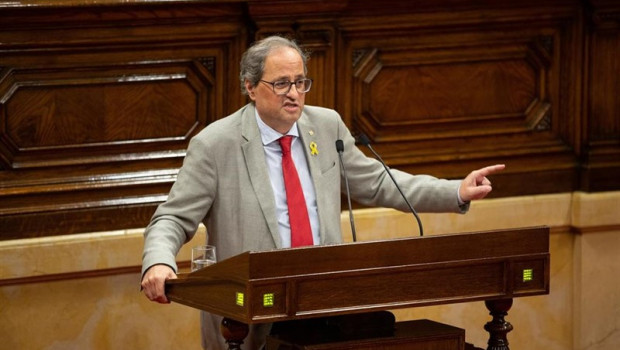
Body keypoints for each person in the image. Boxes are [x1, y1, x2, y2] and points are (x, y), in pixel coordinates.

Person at [141, 35, 505, 349]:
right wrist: (159, 260)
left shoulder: (325, 125)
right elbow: (173, 217)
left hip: (325, 304)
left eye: (301, 82)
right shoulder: (216, 145)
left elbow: (378, 182)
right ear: (250, 88)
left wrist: (454, 190)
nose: (295, 94)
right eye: (281, 83)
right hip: (249, 312)